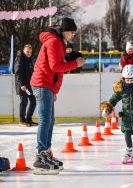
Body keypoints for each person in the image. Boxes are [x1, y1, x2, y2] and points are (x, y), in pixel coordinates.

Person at [30, 17, 85, 175]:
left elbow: (58, 71)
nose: (73, 35)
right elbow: (56, 66)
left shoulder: (60, 43)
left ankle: (46, 153)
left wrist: (54, 91)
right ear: (65, 31)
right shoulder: (54, 42)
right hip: (41, 83)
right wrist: (76, 64)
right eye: (72, 32)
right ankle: (40, 156)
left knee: (50, 120)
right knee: (45, 119)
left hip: (47, 85)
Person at [14, 44, 37, 127]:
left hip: (29, 85)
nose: (29, 53)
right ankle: (22, 120)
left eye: (30, 52)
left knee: (33, 101)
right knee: (24, 101)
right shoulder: (19, 58)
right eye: (27, 51)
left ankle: (28, 119)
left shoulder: (30, 59)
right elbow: (17, 72)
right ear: (24, 51)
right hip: (22, 85)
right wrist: (21, 84)